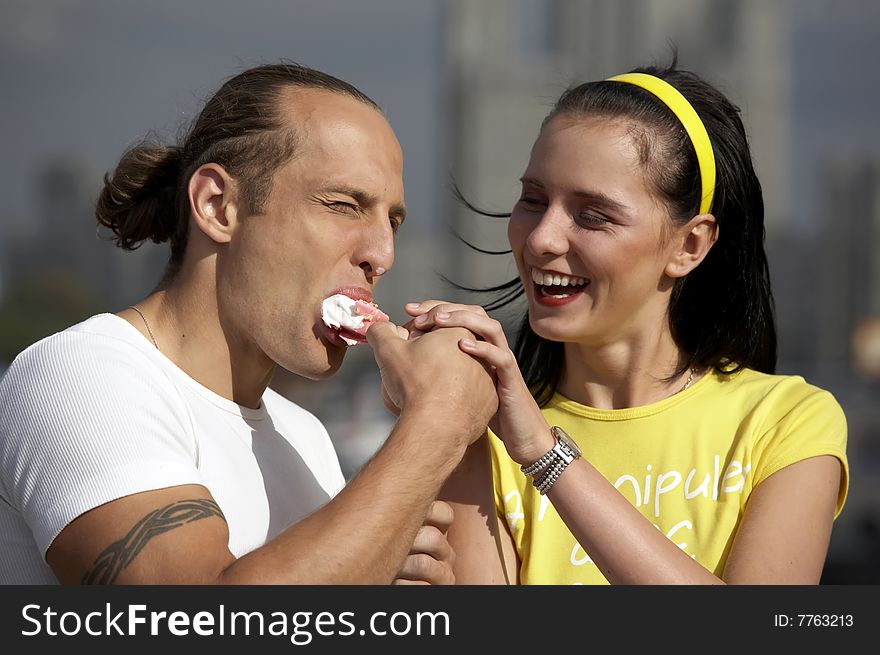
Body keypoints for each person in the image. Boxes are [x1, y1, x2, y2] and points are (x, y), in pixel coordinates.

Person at [0, 63, 497, 584]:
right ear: (218, 206)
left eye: (391, 222)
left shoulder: (303, 436)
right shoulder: (81, 375)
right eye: (344, 205)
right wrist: (437, 420)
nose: (382, 254)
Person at [409, 60, 849, 584]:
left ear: (689, 245)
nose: (542, 239)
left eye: (593, 215)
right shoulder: (480, 437)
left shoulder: (786, 422)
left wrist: (544, 455)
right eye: (533, 200)